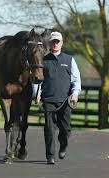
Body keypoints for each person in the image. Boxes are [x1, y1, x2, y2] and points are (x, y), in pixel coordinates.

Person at [37, 31, 81, 165]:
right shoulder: (43, 60)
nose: (55, 44)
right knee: (49, 128)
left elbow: (76, 79)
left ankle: (63, 145)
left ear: (61, 43)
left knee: (65, 128)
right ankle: (50, 156)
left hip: (65, 100)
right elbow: (38, 80)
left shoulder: (69, 59)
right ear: (49, 43)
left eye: (58, 41)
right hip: (48, 99)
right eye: (53, 41)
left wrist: (75, 93)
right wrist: (37, 94)